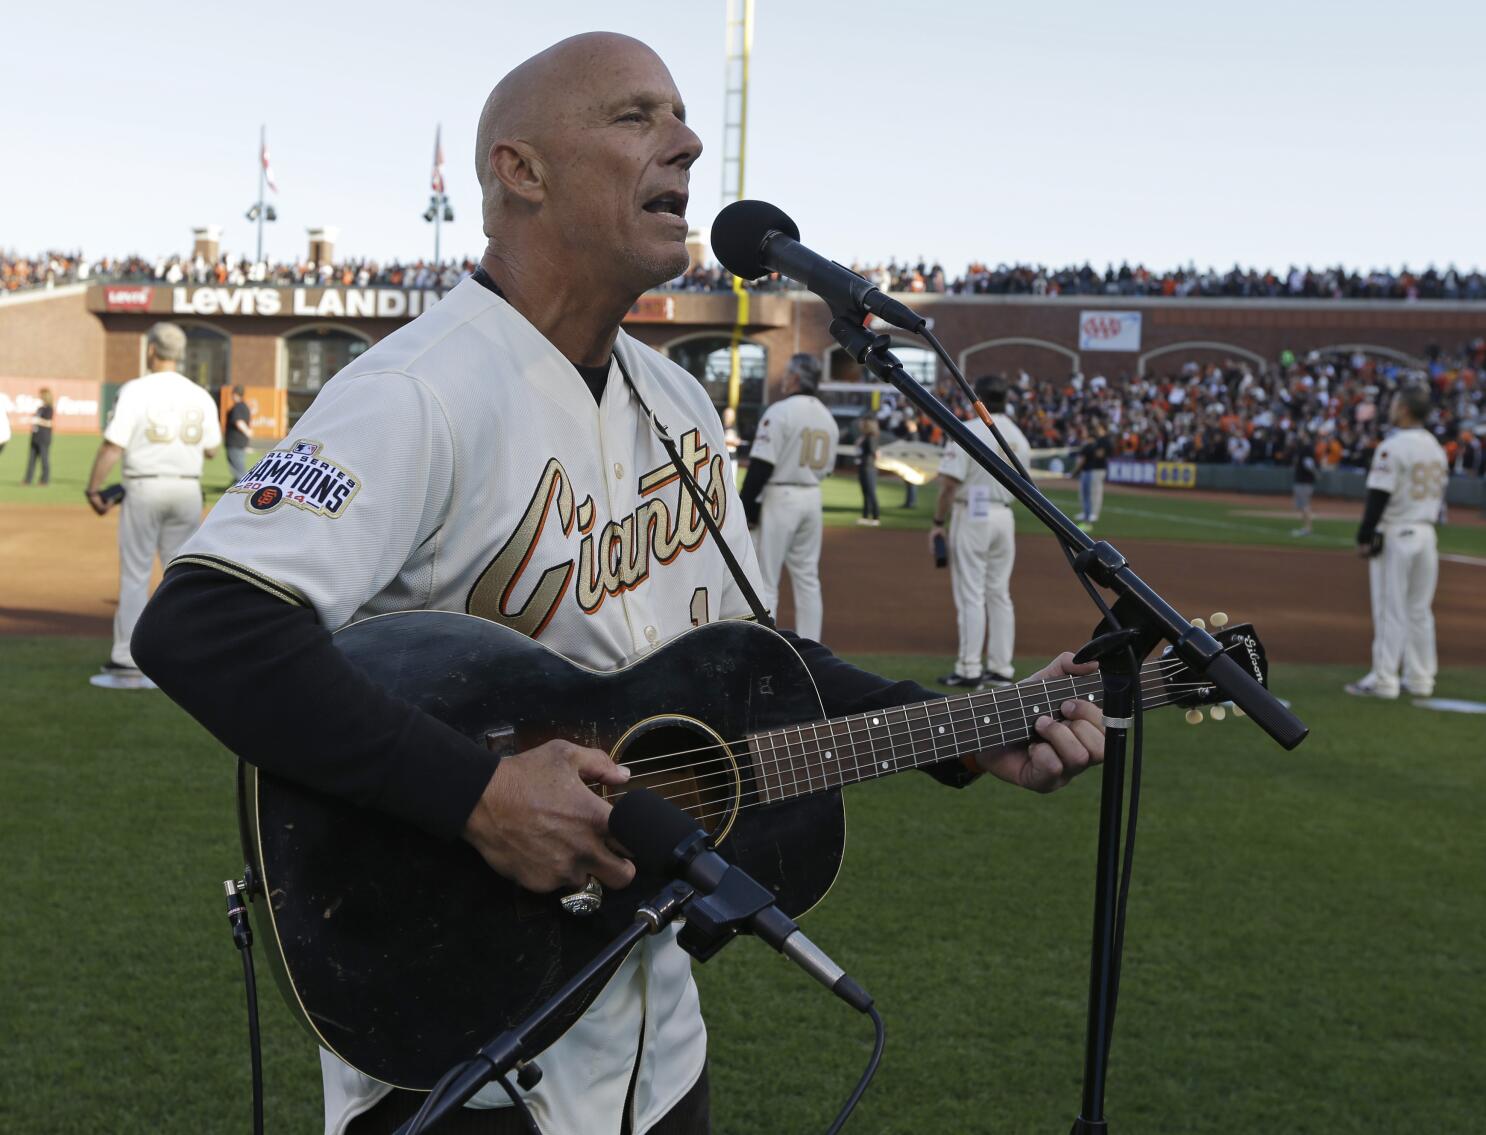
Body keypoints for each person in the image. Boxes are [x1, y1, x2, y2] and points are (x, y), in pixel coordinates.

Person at [132, 34, 1104, 1135]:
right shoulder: (416, 391)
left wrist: (960, 730)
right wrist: (480, 795)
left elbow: (756, 665)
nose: (687, 141)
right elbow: (204, 625)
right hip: (468, 1046)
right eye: (636, 116)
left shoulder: (681, 405)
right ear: (522, 170)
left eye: (681, 117)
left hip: (653, 1035)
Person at [85, 322, 221, 688]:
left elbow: (113, 444)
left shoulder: (136, 389)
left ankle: (126, 656)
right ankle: (182, 651)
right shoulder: (199, 394)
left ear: (151, 350)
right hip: (186, 488)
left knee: (135, 573)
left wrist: (94, 487)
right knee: (180, 575)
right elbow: (210, 447)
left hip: (144, 486)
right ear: (181, 354)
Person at [1345, 386, 1449, 699]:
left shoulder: (1393, 446)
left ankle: (1384, 679)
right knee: (1419, 609)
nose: (1390, 408)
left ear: (1404, 409)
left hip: (1398, 531)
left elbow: (1380, 494)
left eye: (1394, 404)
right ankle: (1421, 678)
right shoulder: (1435, 446)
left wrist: (1365, 534)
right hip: (1427, 533)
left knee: (1391, 608)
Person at [930, 377, 1032, 689]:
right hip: (1004, 515)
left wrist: (937, 522)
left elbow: (949, 485)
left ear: (978, 399)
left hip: (973, 511)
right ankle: (1001, 669)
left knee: (971, 593)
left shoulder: (969, 429)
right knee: (999, 593)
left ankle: (969, 667)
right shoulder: (1018, 436)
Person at [738, 353, 840, 642]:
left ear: (796, 378)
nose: (783, 379)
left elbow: (761, 465)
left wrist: (744, 506)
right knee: (808, 578)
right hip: (811, 496)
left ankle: (767, 647)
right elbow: (828, 469)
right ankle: (813, 648)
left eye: (787, 374)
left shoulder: (781, 411)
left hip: (780, 495)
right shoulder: (826, 416)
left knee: (767, 580)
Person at [1070, 416, 1112, 526]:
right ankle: (1086, 512)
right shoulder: (1098, 440)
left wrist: (1091, 452)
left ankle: (1094, 513)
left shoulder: (1104, 440)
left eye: (1099, 428)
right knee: (1087, 492)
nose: (1097, 430)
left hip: (1099, 468)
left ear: (1104, 429)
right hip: (1092, 468)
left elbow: (1100, 454)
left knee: (1096, 491)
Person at [23, 387, 55, 485]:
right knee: (31, 459)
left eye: (41, 394)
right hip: (35, 436)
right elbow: (35, 419)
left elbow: (49, 423)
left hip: (44, 437)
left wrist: (38, 421)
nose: (39, 396)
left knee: (44, 459)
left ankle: (44, 480)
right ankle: (28, 479)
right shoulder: (40, 408)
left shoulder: (49, 408)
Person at [224, 384, 253, 482]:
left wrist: (247, 432)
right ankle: (236, 486)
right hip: (240, 442)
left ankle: (240, 490)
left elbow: (239, 422)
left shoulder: (238, 407)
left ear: (235, 394)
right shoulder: (245, 406)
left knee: (239, 471)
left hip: (235, 442)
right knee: (238, 469)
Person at [1291, 432, 1317, 536]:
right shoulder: (1302, 448)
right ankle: (1306, 528)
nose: (1300, 436)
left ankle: (1308, 528)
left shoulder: (1306, 449)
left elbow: (1309, 464)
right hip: (1301, 480)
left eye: (1302, 434)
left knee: (1305, 505)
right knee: (1302, 505)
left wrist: (1315, 473)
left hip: (1304, 481)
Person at [856, 413, 880, 525]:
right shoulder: (865, 437)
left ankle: (876, 517)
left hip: (869, 467)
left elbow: (875, 453)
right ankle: (865, 516)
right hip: (863, 466)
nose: (860, 424)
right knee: (865, 493)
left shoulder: (871, 437)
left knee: (871, 492)